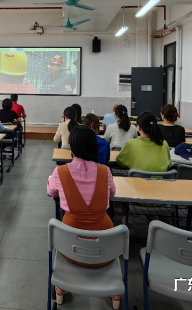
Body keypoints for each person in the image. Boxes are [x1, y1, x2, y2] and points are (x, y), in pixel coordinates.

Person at [47, 125, 119, 308]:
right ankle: (114, 292)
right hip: (105, 248)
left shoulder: (60, 172)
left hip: (70, 247)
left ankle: (61, 288)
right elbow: (112, 194)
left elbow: (51, 191)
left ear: (71, 147)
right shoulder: (105, 171)